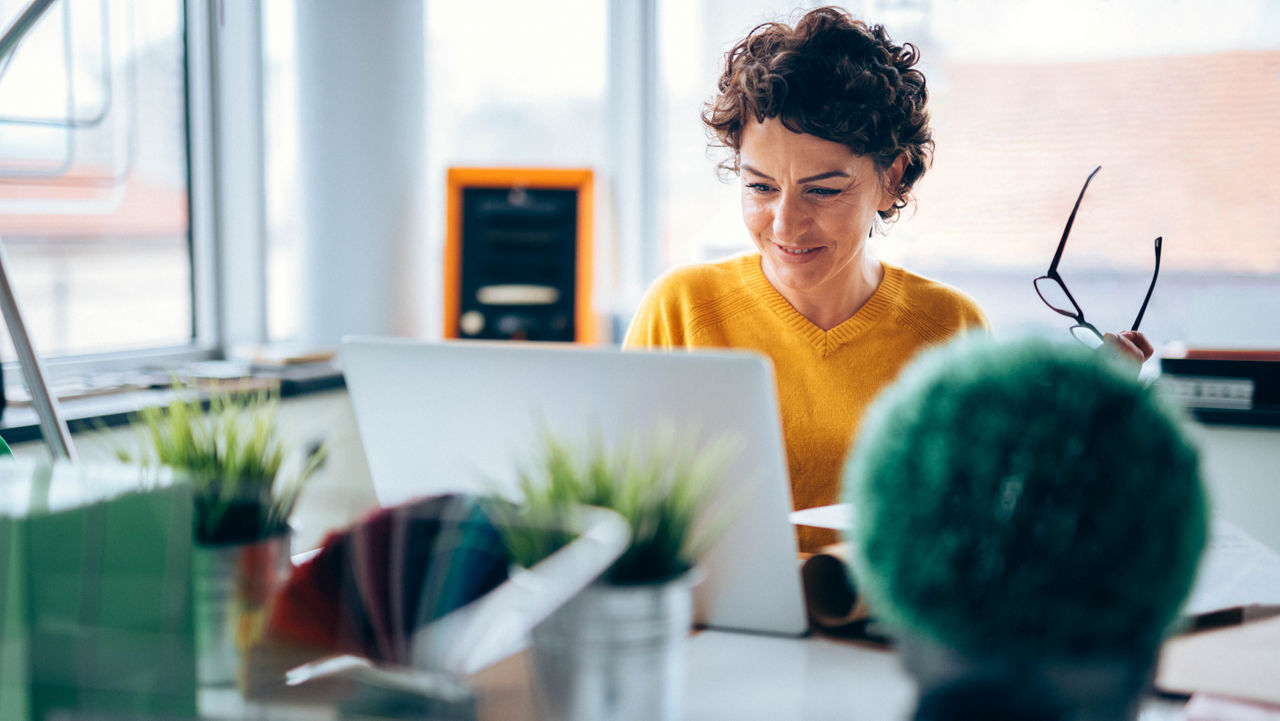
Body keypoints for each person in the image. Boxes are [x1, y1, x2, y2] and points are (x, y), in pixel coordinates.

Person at [623, 6, 1151, 551]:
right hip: (715, 627)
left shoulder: (949, 328)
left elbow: (989, 524)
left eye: (823, 190)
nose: (785, 223)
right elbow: (622, 513)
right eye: (760, 187)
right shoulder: (681, 310)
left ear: (892, 178)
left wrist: (1090, 415)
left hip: (879, 632)